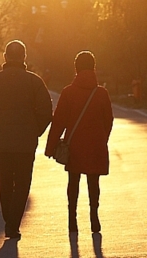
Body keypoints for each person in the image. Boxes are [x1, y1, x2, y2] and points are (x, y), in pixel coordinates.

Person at [0, 40, 52, 240]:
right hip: (26, 143)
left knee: (5, 179)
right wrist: (35, 130)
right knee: (22, 182)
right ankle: (13, 224)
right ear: (24, 57)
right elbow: (46, 111)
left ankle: (8, 220)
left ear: (5, 57)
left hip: (2, 142)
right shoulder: (34, 82)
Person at [45, 51, 114, 234]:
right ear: (93, 68)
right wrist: (101, 139)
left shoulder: (68, 92)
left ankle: (72, 219)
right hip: (96, 145)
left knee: (73, 181)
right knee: (94, 182)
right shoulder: (101, 93)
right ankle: (94, 217)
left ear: (76, 68)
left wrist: (51, 147)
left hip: (74, 145)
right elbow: (108, 121)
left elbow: (59, 121)